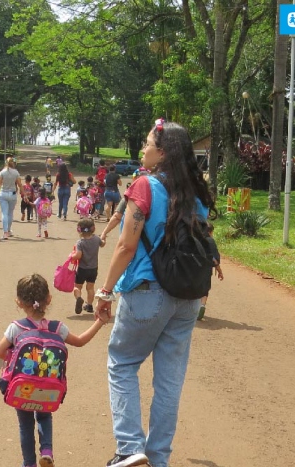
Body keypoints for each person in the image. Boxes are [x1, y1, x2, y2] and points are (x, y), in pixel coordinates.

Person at [93, 120, 216, 467]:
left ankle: (130, 447)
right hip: (187, 297)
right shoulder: (196, 193)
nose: (143, 150)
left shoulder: (145, 186)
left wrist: (105, 291)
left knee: (122, 363)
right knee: (169, 382)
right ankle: (158, 458)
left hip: (148, 291)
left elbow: (125, 246)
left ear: (162, 152)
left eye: (148, 144)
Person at [0, 274, 106, 467]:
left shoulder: (16, 327)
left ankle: (29, 463)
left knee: (25, 425)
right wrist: (100, 321)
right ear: (49, 299)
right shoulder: (57, 328)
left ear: (19, 302)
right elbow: (80, 341)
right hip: (49, 388)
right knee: (45, 416)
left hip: (22, 387)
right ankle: (46, 451)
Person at [71, 218, 106, 314]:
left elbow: (78, 255)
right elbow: (102, 244)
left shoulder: (80, 242)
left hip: (82, 269)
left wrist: (72, 257)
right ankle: (89, 305)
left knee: (77, 286)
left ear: (79, 230)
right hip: (93, 268)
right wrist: (104, 238)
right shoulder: (96, 239)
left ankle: (79, 298)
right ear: (93, 228)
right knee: (90, 288)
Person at [0, 157, 25, 240]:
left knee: (4, 213)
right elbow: (20, 184)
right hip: (12, 194)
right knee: (10, 213)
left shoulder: (2, 172)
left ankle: (5, 232)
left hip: (3, 193)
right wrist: (24, 194)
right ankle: (9, 230)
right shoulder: (16, 172)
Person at [198, 222, 224, 320]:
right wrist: (219, 270)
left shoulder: (196, 238)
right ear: (210, 232)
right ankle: (202, 305)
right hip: (206, 269)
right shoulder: (210, 241)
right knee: (205, 288)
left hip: (194, 269)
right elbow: (214, 258)